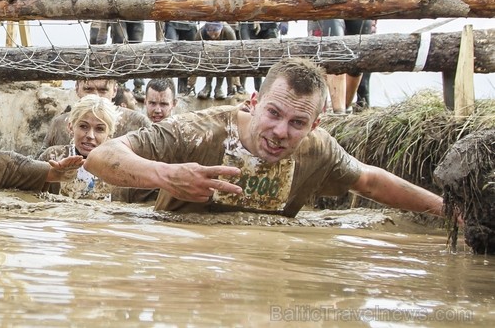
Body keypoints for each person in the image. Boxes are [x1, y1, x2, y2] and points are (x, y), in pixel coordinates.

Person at [85, 57, 447, 219]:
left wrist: (448, 213)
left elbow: (370, 181)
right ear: (253, 103)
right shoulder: (197, 131)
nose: (280, 132)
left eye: (297, 122)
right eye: (273, 114)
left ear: (315, 125)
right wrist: (165, 175)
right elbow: (100, 157)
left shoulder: (319, 149)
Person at [38, 95, 120, 199]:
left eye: (99, 129)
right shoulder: (53, 156)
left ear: (110, 134)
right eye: (83, 126)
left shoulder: (118, 166)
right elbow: (29, 194)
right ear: (71, 127)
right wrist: (53, 174)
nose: (90, 135)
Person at [42, 78, 150, 149]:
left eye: (103, 90)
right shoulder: (59, 124)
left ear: (114, 91)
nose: (95, 96)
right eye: (88, 89)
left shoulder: (137, 124)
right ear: (77, 88)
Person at [164, 0, 205, 95]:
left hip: (190, 25)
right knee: (171, 52)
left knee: (189, 55)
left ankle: (184, 90)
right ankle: (167, 88)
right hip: (173, 23)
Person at [248, 0, 288, 91]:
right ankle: (258, 90)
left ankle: (272, 88)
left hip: (272, 23)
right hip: (255, 23)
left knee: (272, 55)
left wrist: (285, 20)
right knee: (255, 57)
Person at [117, 0, 160, 99]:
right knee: (121, 46)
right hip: (121, 17)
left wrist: (159, 39)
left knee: (137, 48)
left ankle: (138, 86)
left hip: (137, 18)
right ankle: (120, 83)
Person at [225, 0, 258, 94]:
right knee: (229, 54)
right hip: (232, 22)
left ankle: (241, 85)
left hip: (246, 23)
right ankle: (229, 87)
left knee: (243, 54)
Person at [196, 22, 238, 100]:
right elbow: (195, 50)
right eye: (210, 33)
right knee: (208, 63)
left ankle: (219, 87)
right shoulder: (201, 33)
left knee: (223, 64)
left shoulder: (228, 32)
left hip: (224, 57)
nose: (212, 36)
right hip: (208, 56)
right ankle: (207, 86)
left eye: (215, 34)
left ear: (221, 29)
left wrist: (234, 83)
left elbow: (234, 51)